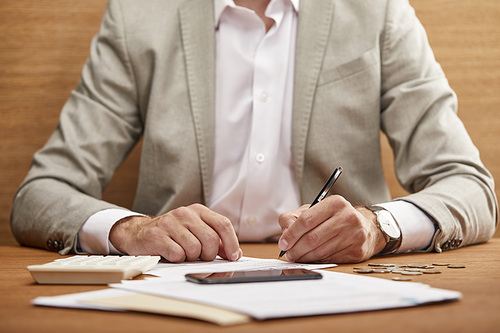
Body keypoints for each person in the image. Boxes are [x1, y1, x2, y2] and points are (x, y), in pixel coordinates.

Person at [11, 0, 497, 264]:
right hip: (176, 295)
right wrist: (133, 231)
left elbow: (471, 188)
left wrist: (378, 227)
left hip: (342, 290)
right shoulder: (137, 16)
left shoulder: (379, 11)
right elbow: (40, 195)